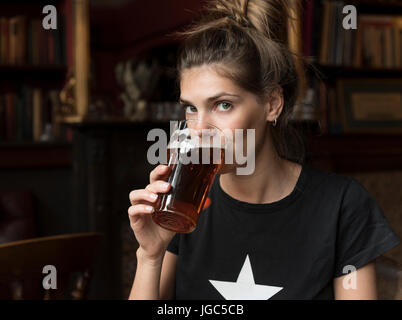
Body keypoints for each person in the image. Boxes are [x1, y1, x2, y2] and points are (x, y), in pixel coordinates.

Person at [127, 0, 400, 300]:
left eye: (223, 105)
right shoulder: (185, 208)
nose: (200, 130)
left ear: (272, 104)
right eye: (191, 108)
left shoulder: (342, 206)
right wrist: (150, 256)